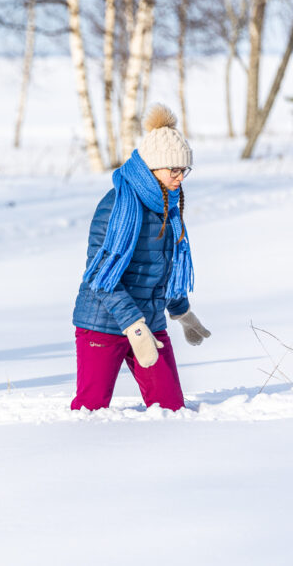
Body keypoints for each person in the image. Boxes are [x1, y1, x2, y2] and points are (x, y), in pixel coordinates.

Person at [71, 103, 211, 412]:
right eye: (173, 170)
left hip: (149, 321)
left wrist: (181, 311)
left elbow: (162, 269)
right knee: (90, 411)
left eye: (184, 169)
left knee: (171, 408)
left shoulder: (168, 207)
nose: (180, 177)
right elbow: (100, 277)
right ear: (152, 167)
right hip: (103, 324)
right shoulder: (117, 207)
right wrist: (133, 327)